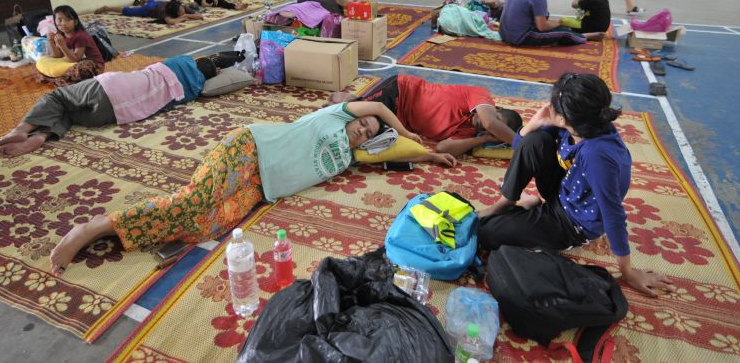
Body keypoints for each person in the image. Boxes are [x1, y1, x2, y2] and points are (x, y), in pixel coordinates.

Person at [48, 101, 457, 275]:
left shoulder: (354, 156)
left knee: (210, 225)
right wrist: (404, 130)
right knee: (196, 202)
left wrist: (430, 156)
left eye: (367, 133)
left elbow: (393, 154)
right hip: (248, 148)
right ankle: (94, 227)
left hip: (261, 187)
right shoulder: (334, 117)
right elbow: (382, 110)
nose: (363, 129)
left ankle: (147, 228)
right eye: (362, 124)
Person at [477, 73, 674, 297]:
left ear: (564, 118)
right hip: (562, 192)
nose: (548, 107)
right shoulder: (577, 123)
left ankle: (533, 216)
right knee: (534, 140)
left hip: (571, 223)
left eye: (553, 106)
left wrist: (627, 272)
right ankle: (506, 203)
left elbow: (613, 214)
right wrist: (533, 123)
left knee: (486, 232)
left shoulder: (598, 155)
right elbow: (520, 147)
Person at [0, 55, 220, 157]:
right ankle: (44, 135)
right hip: (116, 114)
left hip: (110, 88)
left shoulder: (182, 62)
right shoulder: (192, 91)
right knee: (69, 113)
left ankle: (22, 130)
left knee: (57, 99)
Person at [328, 74, 522, 158]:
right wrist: (523, 145)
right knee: (347, 116)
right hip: (400, 92)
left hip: (397, 121)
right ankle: (348, 99)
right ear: (496, 108)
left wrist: (485, 138)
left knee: (369, 138)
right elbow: (489, 121)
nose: (488, 126)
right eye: (497, 122)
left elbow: (442, 147)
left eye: (494, 132)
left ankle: (356, 99)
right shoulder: (480, 95)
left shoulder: (470, 133)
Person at [35, 5, 105, 86]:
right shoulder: (60, 34)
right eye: (60, 20)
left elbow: (75, 60)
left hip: (95, 66)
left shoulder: (81, 36)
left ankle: (59, 79)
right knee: (42, 61)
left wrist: (62, 45)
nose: (64, 23)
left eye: (68, 19)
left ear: (75, 22)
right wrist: (51, 41)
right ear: (55, 22)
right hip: (76, 61)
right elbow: (58, 56)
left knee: (81, 68)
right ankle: (60, 78)